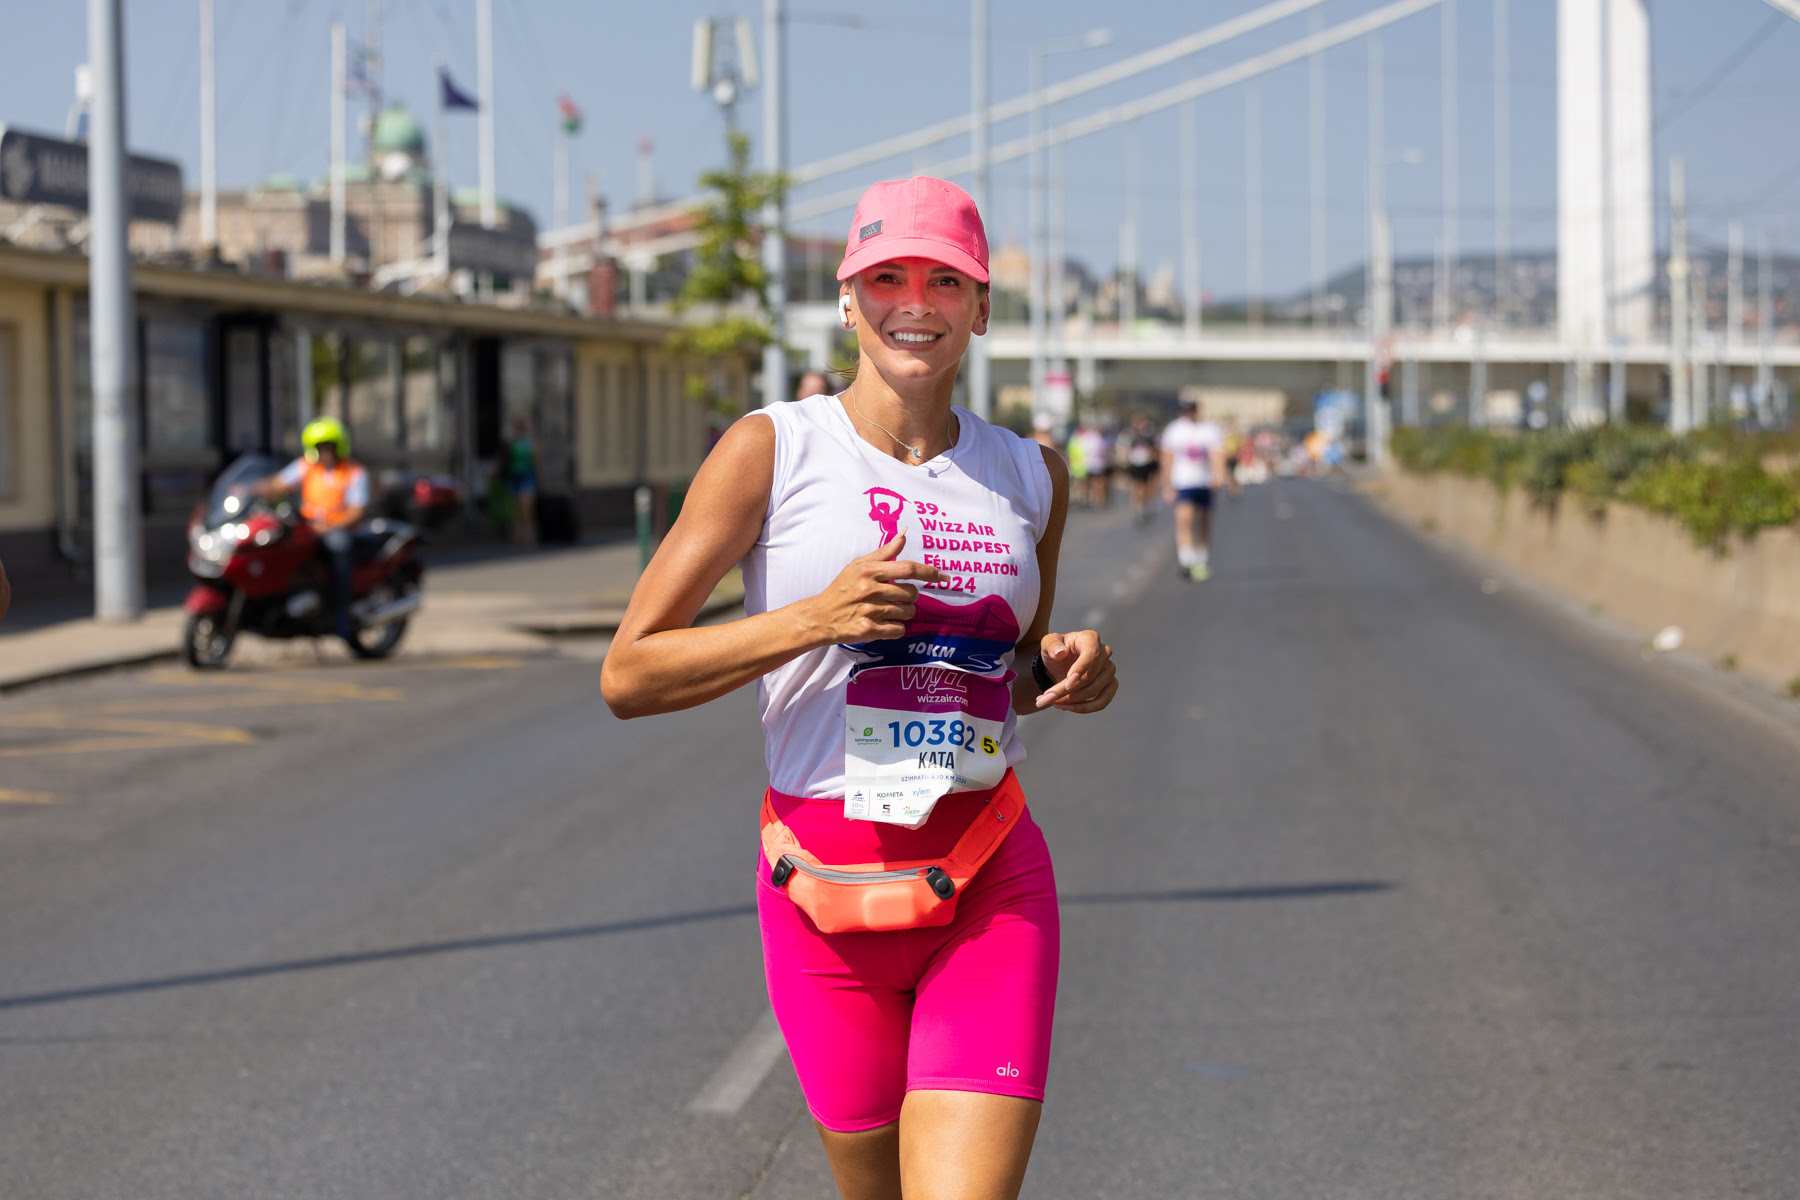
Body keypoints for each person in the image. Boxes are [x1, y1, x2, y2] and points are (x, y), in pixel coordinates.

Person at [601, 176, 1118, 1200]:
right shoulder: (775, 451)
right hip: (821, 897)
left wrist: (1064, 668)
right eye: (886, 277)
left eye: (943, 279)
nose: (913, 302)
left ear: (980, 306)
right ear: (848, 299)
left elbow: (1003, 673)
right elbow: (629, 672)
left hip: (984, 882)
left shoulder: (1031, 475)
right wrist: (815, 620)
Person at [251, 417, 369, 638]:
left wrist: (330, 526)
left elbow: (356, 512)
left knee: (339, 549)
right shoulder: (307, 466)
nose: (324, 452)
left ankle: (340, 613)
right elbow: (278, 484)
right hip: (308, 528)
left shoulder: (353, 472)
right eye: (320, 447)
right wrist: (249, 489)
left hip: (337, 530)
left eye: (328, 447)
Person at [1159, 396, 1226, 581]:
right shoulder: (1174, 430)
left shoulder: (1209, 429)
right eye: (1186, 410)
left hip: (1204, 481)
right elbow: (1167, 458)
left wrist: (1218, 475)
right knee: (1184, 519)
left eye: (1192, 409)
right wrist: (1167, 484)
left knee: (1204, 521)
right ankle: (1186, 560)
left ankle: (1201, 560)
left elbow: (1217, 454)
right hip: (1183, 482)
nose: (1189, 413)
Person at [506, 417, 538, 547]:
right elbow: (506, 460)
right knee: (516, 510)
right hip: (515, 476)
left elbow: (536, 461)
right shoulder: (512, 442)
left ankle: (529, 537)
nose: (520, 429)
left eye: (521, 426)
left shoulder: (531, 443)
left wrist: (541, 478)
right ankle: (518, 537)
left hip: (527, 477)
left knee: (526, 509)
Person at [1124, 412, 1160, 523]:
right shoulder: (1130, 436)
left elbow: (1154, 451)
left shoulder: (1149, 436)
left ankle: (1145, 505)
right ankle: (1139, 508)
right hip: (1135, 466)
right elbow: (1127, 451)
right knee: (1137, 487)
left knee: (1145, 487)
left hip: (1147, 466)